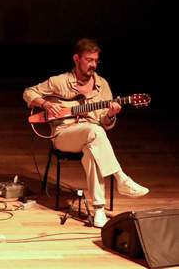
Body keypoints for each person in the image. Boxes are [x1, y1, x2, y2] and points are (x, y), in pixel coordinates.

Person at [23, 38, 148, 227]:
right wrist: (46, 104)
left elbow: (105, 124)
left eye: (96, 61)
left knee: (92, 148)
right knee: (94, 131)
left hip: (91, 136)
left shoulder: (102, 85)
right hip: (64, 134)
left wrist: (111, 115)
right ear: (76, 59)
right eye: (89, 60)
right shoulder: (60, 81)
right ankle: (120, 178)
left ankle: (99, 210)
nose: (93, 65)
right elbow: (28, 92)